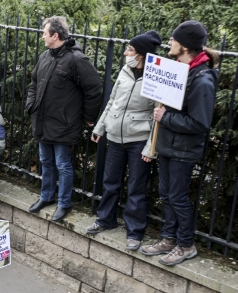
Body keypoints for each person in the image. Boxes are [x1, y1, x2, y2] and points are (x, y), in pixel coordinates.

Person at [140, 21, 218, 266]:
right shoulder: (181, 71)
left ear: (184, 46)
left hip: (183, 149)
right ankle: (169, 237)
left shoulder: (202, 80)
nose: (169, 43)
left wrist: (167, 118)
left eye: (173, 39)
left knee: (178, 196)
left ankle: (185, 244)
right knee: (167, 194)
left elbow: (201, 123)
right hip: (168, 144)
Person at [86, 31, 162, 251]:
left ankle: (135, 231)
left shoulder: (155, 77)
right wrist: (101, 127)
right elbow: (112, 102)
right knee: (110, 181)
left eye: (130, 50)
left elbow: (158, 114)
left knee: (137, 186)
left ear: (141, 55)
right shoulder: (125, 71)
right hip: (116, 136)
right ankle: (105, 219)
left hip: (139, 138)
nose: (125, 53)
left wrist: (150, 147)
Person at [26, 16, 103, 222]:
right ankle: (46, 197)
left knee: (63, 165)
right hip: (42, 121)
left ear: (55, 35)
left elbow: (94, 89)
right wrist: (30, 105)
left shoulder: (77, 59)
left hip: (64, 124)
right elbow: (33, 82)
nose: (42, 36)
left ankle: (64, 203)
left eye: (45, 33)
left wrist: (88, 117)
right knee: (45, 161)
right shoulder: (45, 56)